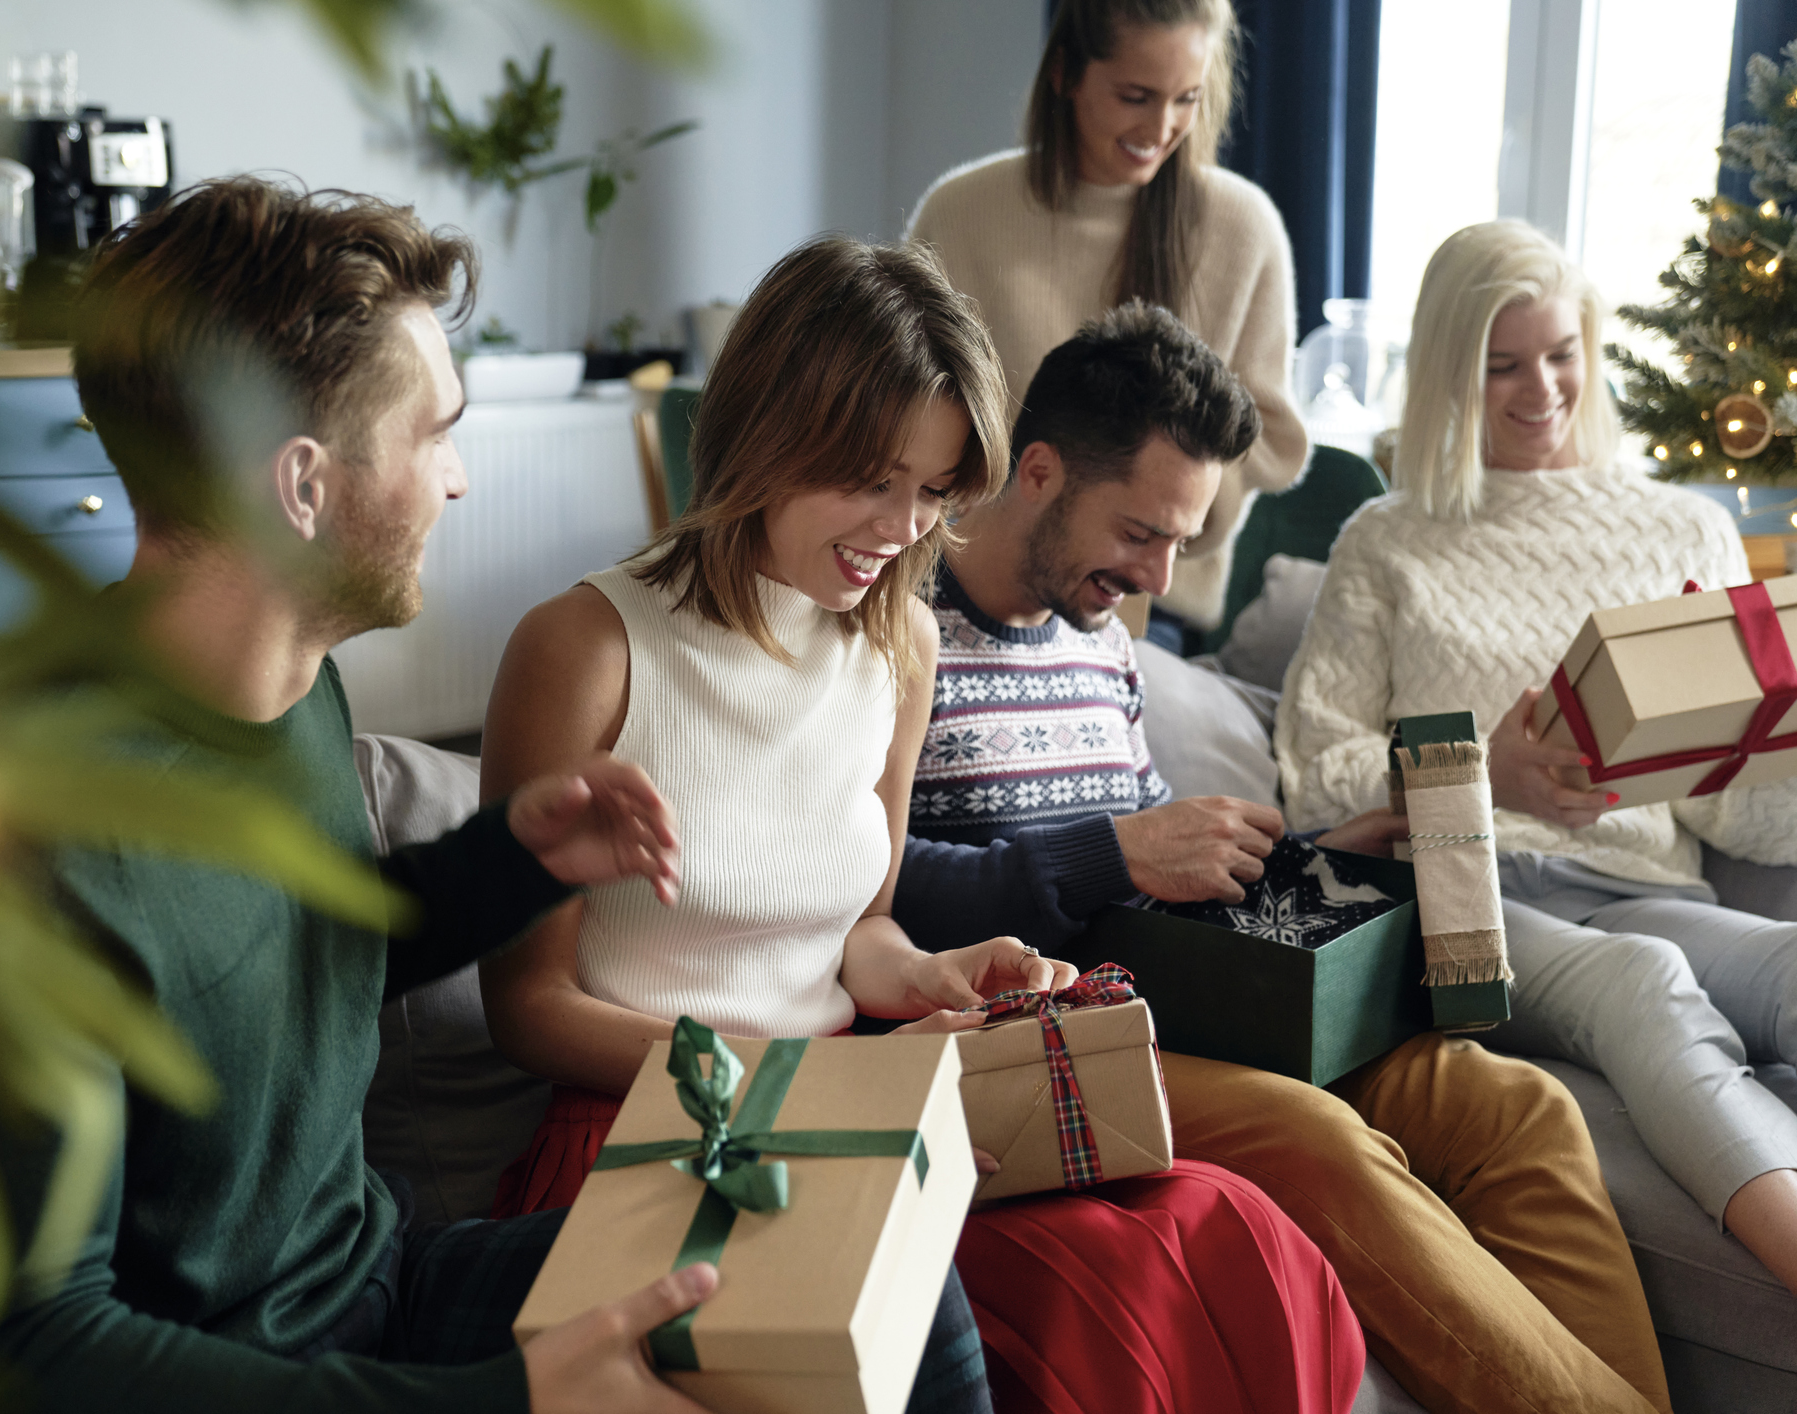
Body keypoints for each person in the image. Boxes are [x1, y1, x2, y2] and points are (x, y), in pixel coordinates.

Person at [0, 177, 983, 1414]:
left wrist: (506, 861)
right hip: (238, 1375)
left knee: (884, 1251)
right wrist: (500, 1401)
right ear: (303, 486)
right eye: (434, 432)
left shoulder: (294, 690)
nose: (457, 482)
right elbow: (31, 1340)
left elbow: (294, 945)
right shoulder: (21, 822)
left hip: (384, 1288)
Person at [477, 234, 1365, 1414]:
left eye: (937, 490)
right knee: (1052, 1306)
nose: (904, 527)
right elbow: (526, 1009)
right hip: (654, 1127)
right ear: (766, 431)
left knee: (1216, 1227)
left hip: (854, 1095)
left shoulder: (898, 648)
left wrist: (938, 971)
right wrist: (807, 1085)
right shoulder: (582, 646)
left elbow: (861, 928)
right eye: (873, 479)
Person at [894, 300, 1672, 1414]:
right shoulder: (897, 627)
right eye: (1140, 532)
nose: (1159, 575)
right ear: (1040, 471)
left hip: (1183, 998)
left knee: (1521, 1108)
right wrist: (1115, 849)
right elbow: (875, 886)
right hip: (1025, 1030)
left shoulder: (1104, 642)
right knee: (1321, 1139)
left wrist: (1306, 851)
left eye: (1181, 539)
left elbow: (1151, 858)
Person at [1278, 218, 1797, 1304]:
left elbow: (1743, 825)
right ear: (1449, 374)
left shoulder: (1683, 531)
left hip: (1646, 883)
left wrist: (1750, 742)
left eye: (1562, 355)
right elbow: (1317, 773)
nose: (1541, 389)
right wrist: (1482, 777)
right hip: (1464, 901)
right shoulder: (1390, 535)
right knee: (1643, 984)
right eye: (1502, 364)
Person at [907, 0, 1305, 639]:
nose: (1162, 126)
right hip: (958, 585)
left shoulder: (1242, 228)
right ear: (1064, 73)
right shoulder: (961, 213)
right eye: (1136, 95)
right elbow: (907, 409)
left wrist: (1157, 522)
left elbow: (1273, 443)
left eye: (1187, 100)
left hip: (1148, 610)